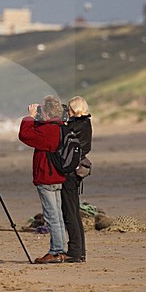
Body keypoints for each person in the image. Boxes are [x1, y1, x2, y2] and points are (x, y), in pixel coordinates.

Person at [18, 95, 67, 264]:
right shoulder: (60, 127)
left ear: (46, 112)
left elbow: (25, 135)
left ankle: (56, 251)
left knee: (52, 216)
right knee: (58, 216)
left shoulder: (48, 131)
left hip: (47, 177)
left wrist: (30, 117)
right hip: (58, 177)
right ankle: (61, 250)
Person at [61, 96, 93, 263]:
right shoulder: (86, 123)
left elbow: (63, 143)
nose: (67, 112)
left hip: (70, 173)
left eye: (69, 110)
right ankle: (80, 252)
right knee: (74, 211)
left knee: (70, 212)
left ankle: (74, 251)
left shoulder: (75, 126)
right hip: (76, 171)